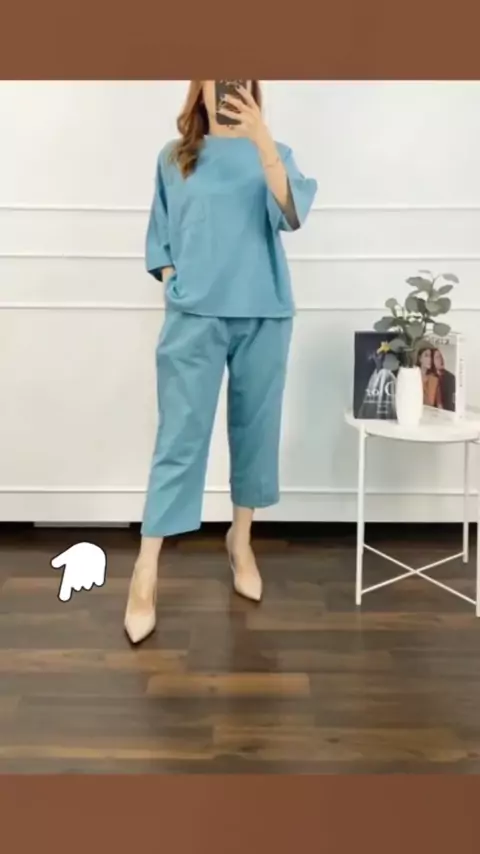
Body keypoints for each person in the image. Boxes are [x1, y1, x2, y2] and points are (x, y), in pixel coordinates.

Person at [124, 80, 318, 644]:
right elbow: (160, 234)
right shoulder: (175, 156)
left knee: (255, 432)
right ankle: (145, 570)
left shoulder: (274, 151)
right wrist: (173, 280)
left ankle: (241, 540)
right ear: (200, 88)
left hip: (264, 312)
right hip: (195, 315)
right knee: (180, 438)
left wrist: (262, 140)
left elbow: (292, 215)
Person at [432, 347, 455, 411]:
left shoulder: (450, 377)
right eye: (437, 357)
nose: (441, 359)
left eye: (441, 356)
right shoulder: (430, 378)